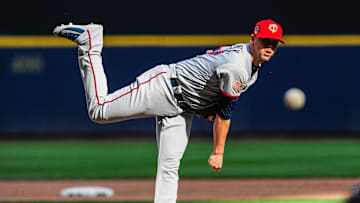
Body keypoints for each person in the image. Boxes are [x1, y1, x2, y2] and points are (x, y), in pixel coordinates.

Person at [53, 19, 285, 203]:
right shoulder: (239, 66)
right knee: (99, 111)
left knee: (170, 166)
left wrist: (201, 104)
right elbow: (224, 114)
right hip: (164, 86)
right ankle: (90, 44)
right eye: (265, 40)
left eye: (274, 43)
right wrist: (218, 152)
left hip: (181, 108)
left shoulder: (249, 62)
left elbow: (209, 68)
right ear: (253, 39)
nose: (269, 46)